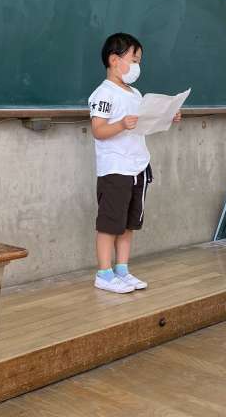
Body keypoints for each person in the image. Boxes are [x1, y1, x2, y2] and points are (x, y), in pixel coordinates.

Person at [88, 33, 181, 294]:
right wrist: (120, 124)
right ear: (114, 60)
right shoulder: (103, 93)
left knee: (129, 224)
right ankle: (104, 274)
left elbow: (144, 123)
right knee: (110, 224)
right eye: (134, 60)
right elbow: (98, 130)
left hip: (138, 167)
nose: (137, 66)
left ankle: (122, 269)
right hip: (115, 169)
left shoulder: (136, 93)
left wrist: (168, 116)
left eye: (139, 61)